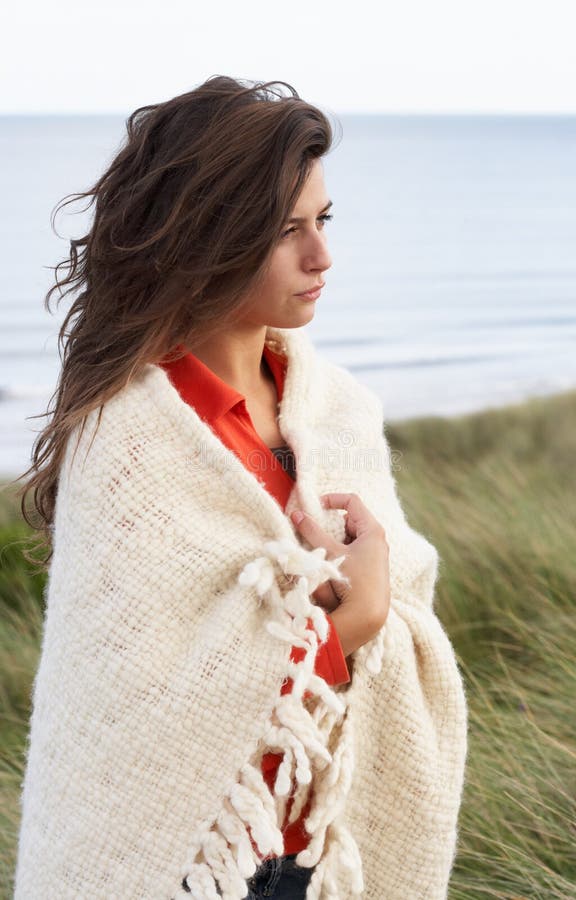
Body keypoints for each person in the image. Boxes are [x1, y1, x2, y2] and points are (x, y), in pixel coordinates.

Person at [13, 76, 468, 899]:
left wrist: (379, 610)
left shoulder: (340, 414)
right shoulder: (126, 437)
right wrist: (347, 626)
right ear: (207, 240)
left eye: (323, 221)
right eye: (285, 231)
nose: (321, 256)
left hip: (329, 850)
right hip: (193, 865)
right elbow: (137, 698)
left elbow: (409, 599)